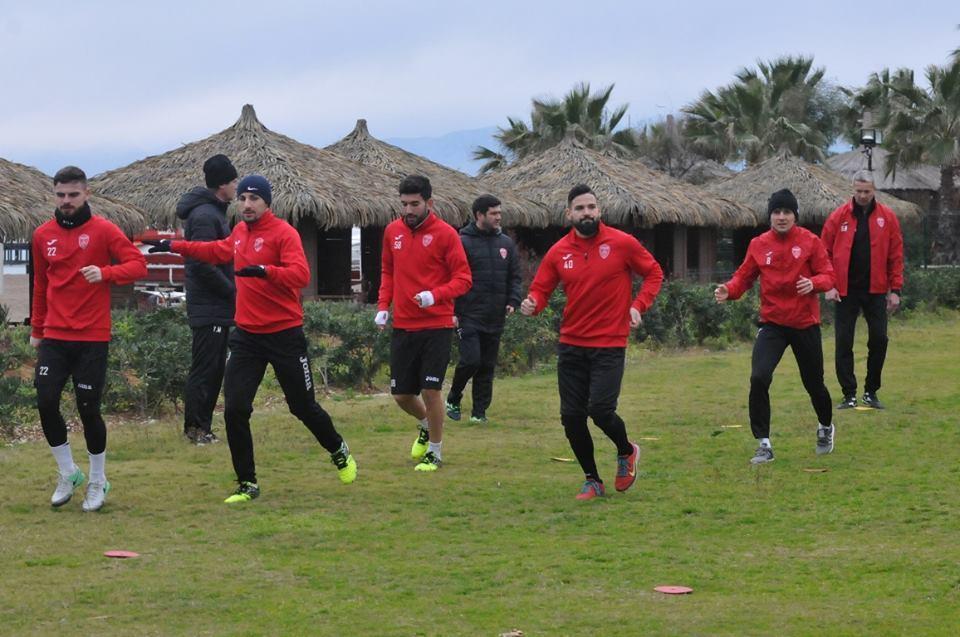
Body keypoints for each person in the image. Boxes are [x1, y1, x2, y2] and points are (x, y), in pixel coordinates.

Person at [146, 175, 357, 502]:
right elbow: (216, 250)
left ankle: (338, 448)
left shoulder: (284, 233)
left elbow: (301, 275)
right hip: (247, 337)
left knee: (302, 407)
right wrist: (175, 246)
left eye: (253, 199)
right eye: (242, 198)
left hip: (285, 334)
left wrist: (266, 271)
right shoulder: (240, 232)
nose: (246, 204)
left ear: (266, 202)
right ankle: (247, 483)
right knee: (235, 410)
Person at [520, 184, 663, 500]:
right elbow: (540, 289)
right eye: (580, 208)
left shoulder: (622, 243)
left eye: (591, 207)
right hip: (572, 343)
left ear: (599, 210)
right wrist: (532, 304)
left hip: (609, 343)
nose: (587, 213)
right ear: (569, 214)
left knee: (600, 410)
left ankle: (626, 451)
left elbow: (654, 273)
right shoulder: (559, 252)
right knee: (571, 417)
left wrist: (638, 306)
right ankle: (592, 480)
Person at [30, 166, 147, 512]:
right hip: (55, 334)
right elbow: (41, 285)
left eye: (73, 195)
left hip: (92, 336)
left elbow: (137, 265)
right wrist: (37, 330)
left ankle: (98, 480)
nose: (66, 201)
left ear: (86, 194)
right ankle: (69, 472)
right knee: (45, 401)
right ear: (54, 195)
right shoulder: (42, 235)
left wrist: (105, 272)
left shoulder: (104, 230)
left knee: (88, 408)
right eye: (60, 195)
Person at [714, 189, 836, 464]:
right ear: (770, 216)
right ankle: (764, 444)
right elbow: (743, 278)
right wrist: (729, 290)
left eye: (787, 212)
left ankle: (825, 426)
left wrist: (813, 283)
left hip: (804, 323)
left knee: (814, 383)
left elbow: (829, 276)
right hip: (773, 324)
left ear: (795, 216)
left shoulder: (810, 242)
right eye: (777, 212)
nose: (781, 217)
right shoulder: (758, 244)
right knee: (759, 377)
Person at [376, 175, 472, 471]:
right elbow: (388, 271)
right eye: (404, 204)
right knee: (402, 395)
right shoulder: (392, 231)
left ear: (429, 202)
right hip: (403, 325)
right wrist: (383, 306)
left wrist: (435, 295)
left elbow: (464, 279)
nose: (408, 210)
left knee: (431, 390)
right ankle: (426, 425)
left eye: (414, 204)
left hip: (437, 325)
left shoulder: (446, 234)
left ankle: (435, 452)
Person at [821, 171, 904, 410]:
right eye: (859, 191)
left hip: (876, 289)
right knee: (843, 342)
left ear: (874, 190)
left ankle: (871, 391)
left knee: (879, 339)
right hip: (845, 291)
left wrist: (895, 289)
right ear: (853, 190)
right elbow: (823, 253)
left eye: (867, 191)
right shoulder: (838, 217)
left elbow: (896, 255)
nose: (863, 195)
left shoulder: (887, 217)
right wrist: (829, 285)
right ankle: (849, 394)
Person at [176, 154, 238, 445]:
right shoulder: (204, 216)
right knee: (205, 368)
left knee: (215, 369)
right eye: (234, 181)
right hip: (208, 305)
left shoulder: (215, 213)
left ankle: (204, 427)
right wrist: (230, 290)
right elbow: (200, 262)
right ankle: (196, 428)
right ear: (222, 184)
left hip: (217, 305)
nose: (237, 186)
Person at [445, 194, 522, 423]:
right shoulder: (462, 242)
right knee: (471, 360)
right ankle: (453, 397)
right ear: (479, 215)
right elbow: (450, 277)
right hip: (468, 315)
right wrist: (452, 311)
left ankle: (479, 413)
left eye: (499, 212)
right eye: (494, 213)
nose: (499, 217)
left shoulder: (506, 244)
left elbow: (515, 277)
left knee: (487, 366)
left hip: (495, 316)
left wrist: (513, 300)